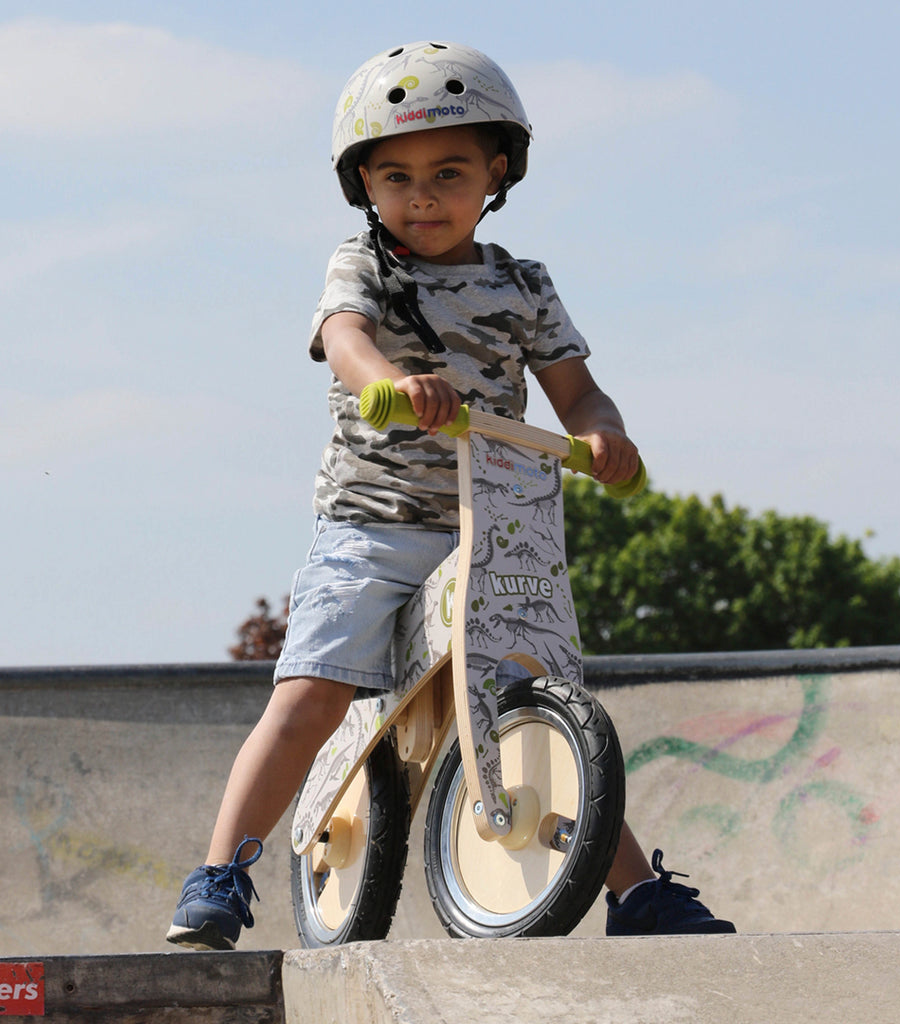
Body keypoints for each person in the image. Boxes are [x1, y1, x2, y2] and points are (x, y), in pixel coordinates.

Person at [167, 40, 735, 951]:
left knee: (534, 705)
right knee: (311, 694)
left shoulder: (524, 285)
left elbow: (578, 391)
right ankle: (220, 872)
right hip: (373, 524)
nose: (422, 196)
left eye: (449, 173)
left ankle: (634, 894)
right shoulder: (364, 265)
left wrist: (605, 435)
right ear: (364, 184)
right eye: (397, 177)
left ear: (496, 173)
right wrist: (393, 382)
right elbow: (345, 340)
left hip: (492, 527)